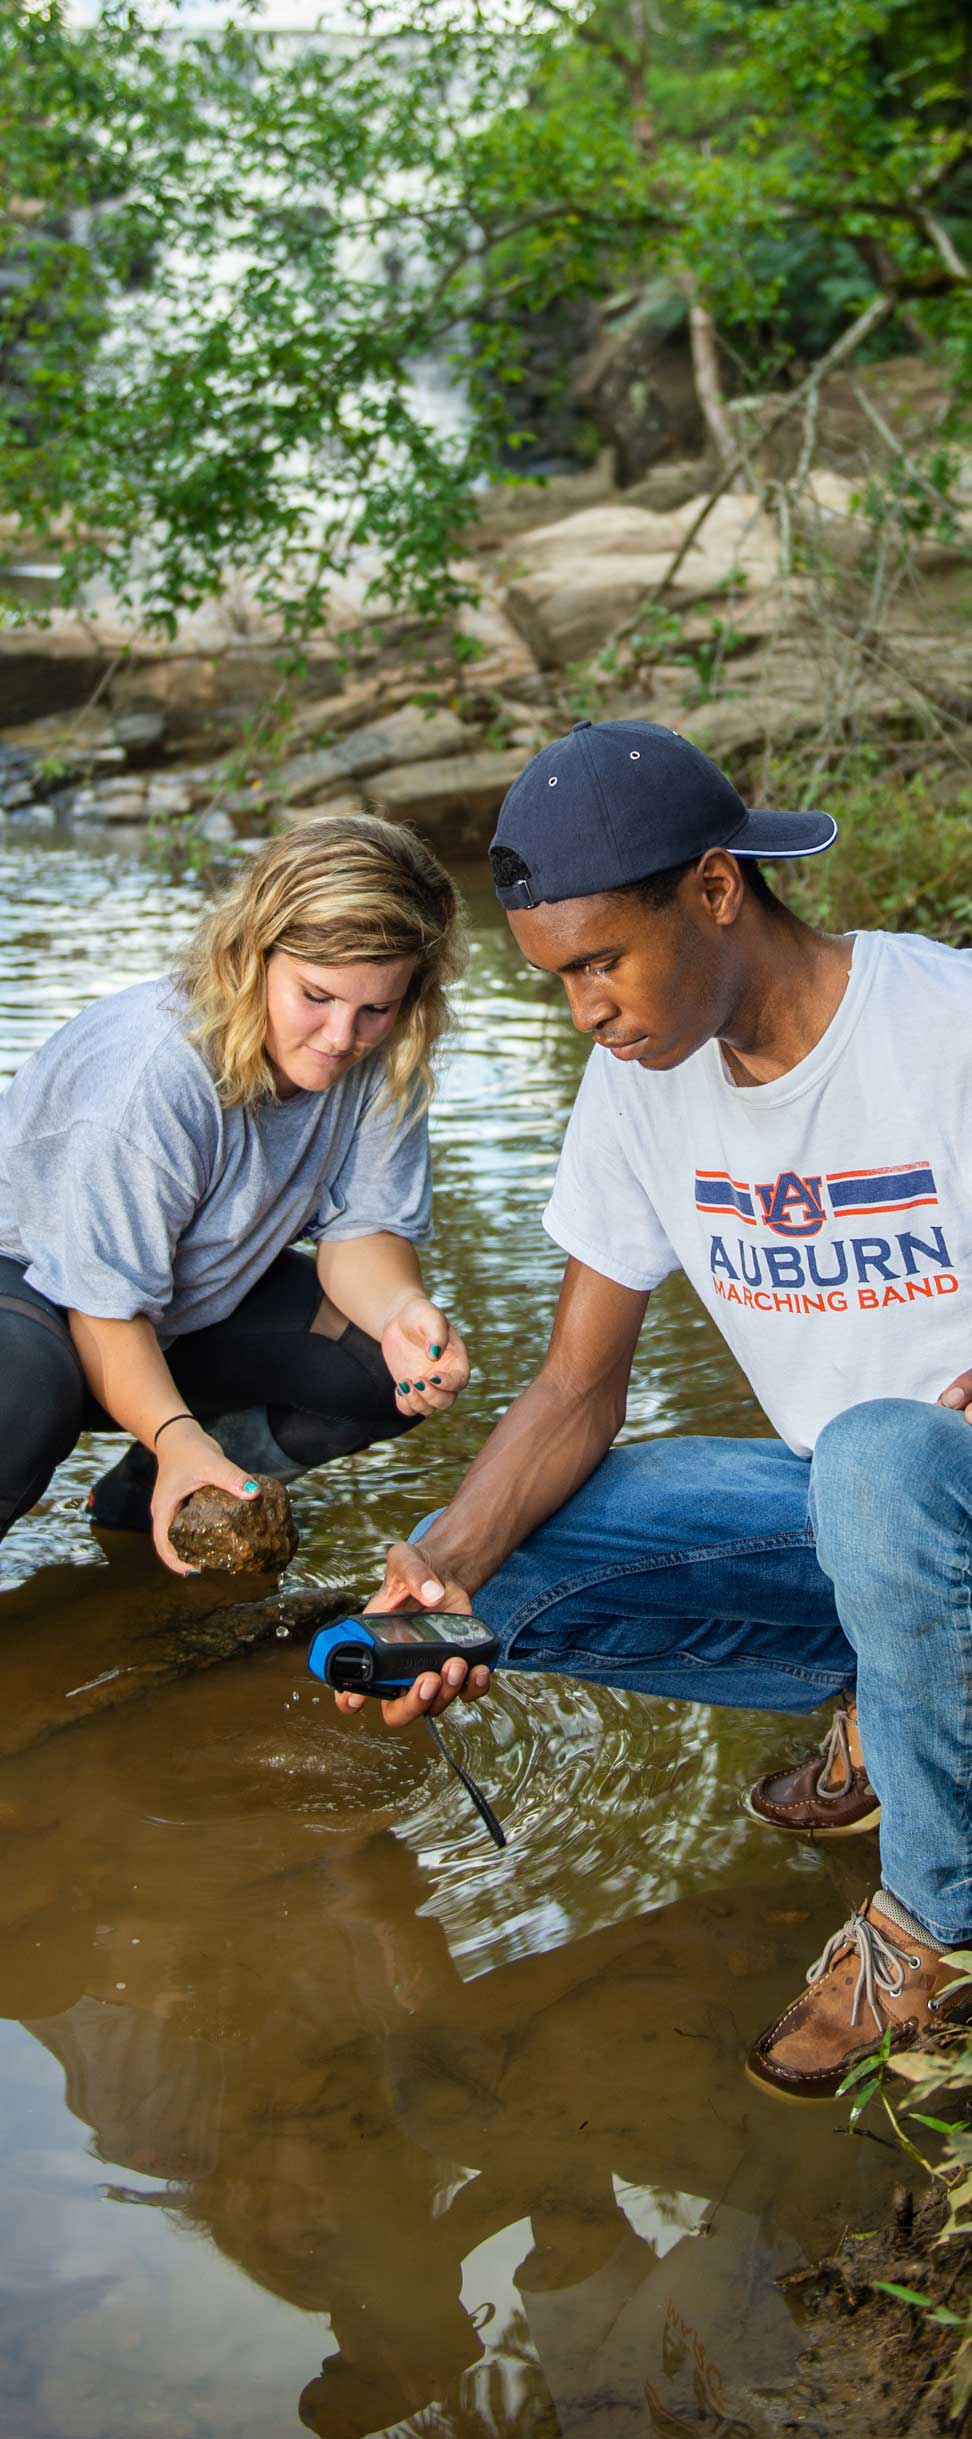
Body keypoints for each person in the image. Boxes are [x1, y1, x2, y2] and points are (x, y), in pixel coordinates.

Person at [335, 717, 972, 2100]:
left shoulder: (942, 1023)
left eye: (600, 963)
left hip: (934, 1492)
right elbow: (574, 1383)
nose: (587, 1013)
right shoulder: (639, 1089)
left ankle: (939, 1931)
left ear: (718, 887)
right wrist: (442, 1574)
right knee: (502, 1545)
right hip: (850, 1526)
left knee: (876, 1457)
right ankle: (894, 1688)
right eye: (557, 979)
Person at [0, 813, 469, 1574]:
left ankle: (149, 1504)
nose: (341, 1036)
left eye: (373, 1008)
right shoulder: (154, 1079)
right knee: (19, 1400)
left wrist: (400, 1310)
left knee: (385, 1370)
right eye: (315, 995)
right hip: (35, 1303)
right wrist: (174, 1426)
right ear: (251, 955)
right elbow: (102, 1305)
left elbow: (364, 1232)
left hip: (180, 1313)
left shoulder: (390, 1052)